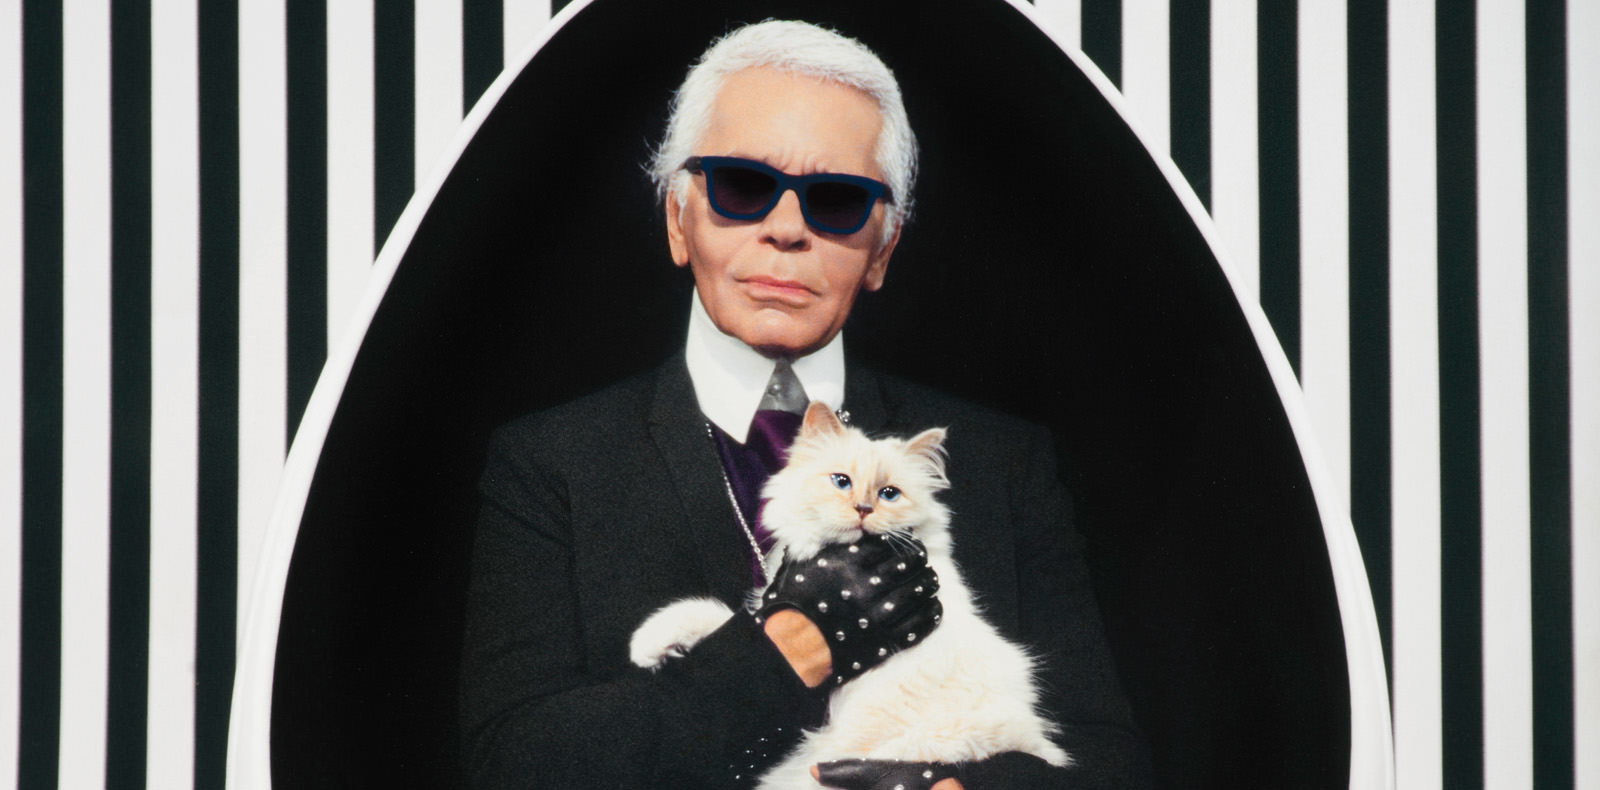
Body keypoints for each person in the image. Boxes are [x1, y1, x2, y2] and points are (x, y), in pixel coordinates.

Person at [460, 20, 1149, 789]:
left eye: (838, 200)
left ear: (883, 248)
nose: (786, 230)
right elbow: (510, 768)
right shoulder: (551, 463)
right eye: (741, 186)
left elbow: (1109, 767)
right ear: (678, 219)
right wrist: (785, 651)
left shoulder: (1003, 463)